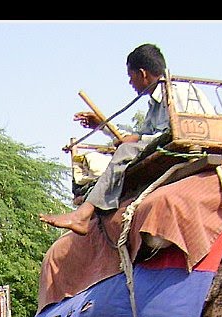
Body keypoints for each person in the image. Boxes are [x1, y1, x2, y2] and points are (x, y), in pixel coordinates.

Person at [39, 43, 170, 236]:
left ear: (142, 73)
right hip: (158, 143)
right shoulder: (154, 104)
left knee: (125, 151)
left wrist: (135, 138)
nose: (130, 83)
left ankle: (82, 215)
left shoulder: (175, 93)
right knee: (125, 148)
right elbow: (139, 136)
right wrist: (103, 126)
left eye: (130, 76)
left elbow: (174, 132)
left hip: (175, 144)